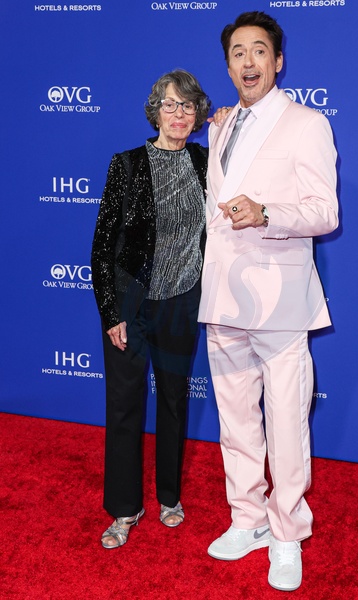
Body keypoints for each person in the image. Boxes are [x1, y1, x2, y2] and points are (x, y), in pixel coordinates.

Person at [198, 12, 339, 592]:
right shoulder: (222, 125)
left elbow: (325, 212)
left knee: (285, 425)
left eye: (259, 50)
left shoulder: (307, 123)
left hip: (279, 298)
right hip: (222, 296)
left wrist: (267, 214)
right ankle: (248, 519)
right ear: (229, 65)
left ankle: (286, 533)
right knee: (235, 423)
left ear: (278, 61)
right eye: (238, 53)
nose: (248, 61)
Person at [91, 69, 210, 548]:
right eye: (170, 104)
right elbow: (103, 245)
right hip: (131, 304)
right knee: (124, 404)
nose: (179, 114)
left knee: (174, 400)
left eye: (188, 105)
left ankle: (169, 497)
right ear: (155, 111)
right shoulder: (127, 165)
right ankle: (125, 508)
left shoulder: (206, 162)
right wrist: (111, 312)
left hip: (182, 300)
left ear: (197, 115)